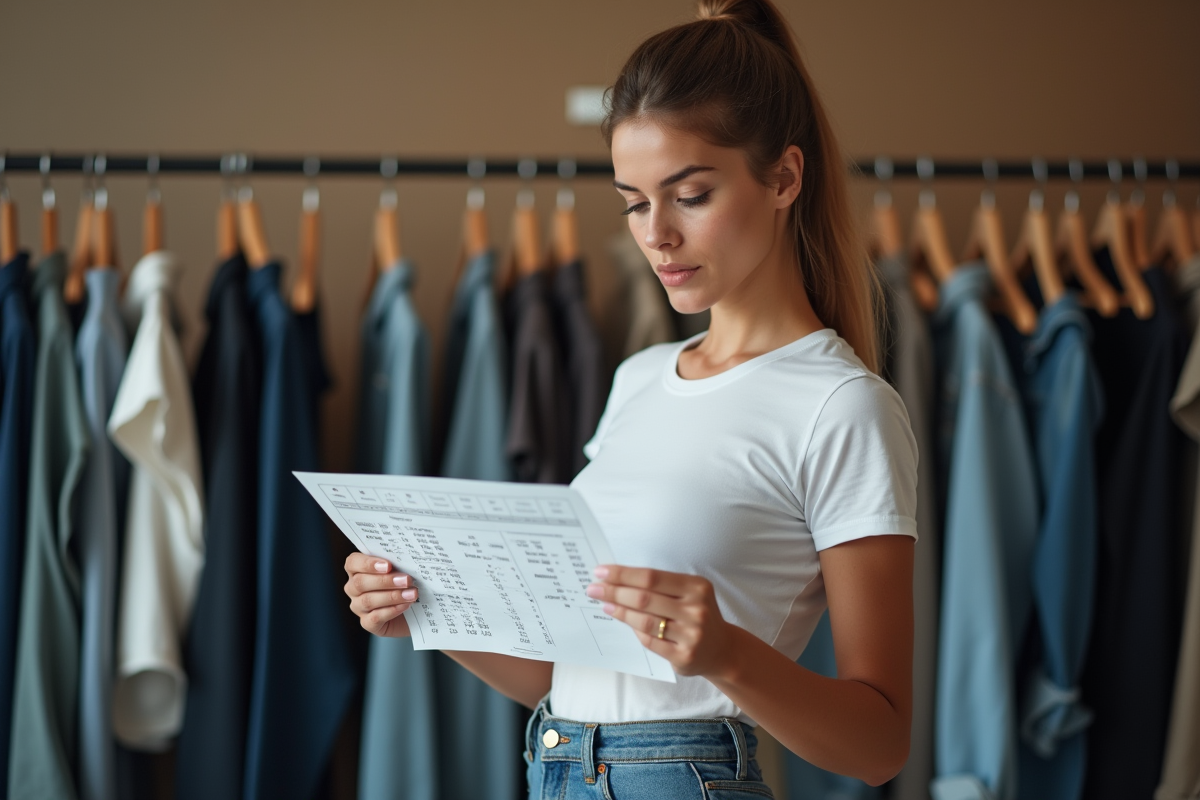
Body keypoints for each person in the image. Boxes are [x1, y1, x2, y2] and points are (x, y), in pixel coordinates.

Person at [344, 0, 918, 796]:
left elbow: (881, 743)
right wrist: (432, 615)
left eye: (690, 195)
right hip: (557, 767)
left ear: (784, 177)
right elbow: (569, 676)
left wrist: (724, 654)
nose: (656, 236)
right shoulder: (640, 378)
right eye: (635, 202)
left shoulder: (843, 407)